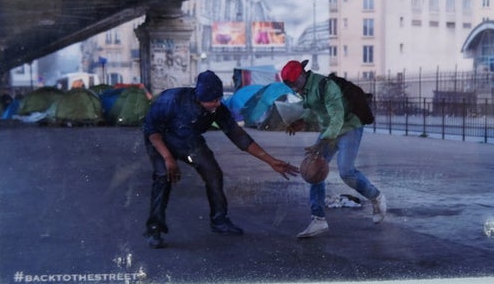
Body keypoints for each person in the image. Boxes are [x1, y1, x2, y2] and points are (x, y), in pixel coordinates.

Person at [143, 70, 300, 248]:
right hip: (160, 139)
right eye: (212, 100)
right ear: (199, 97)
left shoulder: (218, 109)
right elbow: (151, 131)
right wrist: (167, 157)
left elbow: (239, 136)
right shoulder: (170, 100)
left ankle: (219, 221)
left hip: (189, 142)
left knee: (213, 173)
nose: (217, 104)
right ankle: (154, 228)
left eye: (219, 99)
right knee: (163, 177)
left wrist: (271, 161)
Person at [280, 59, 387, 238]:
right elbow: (312, 108)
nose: (294, 88)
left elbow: (337, 119)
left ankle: (376, 197)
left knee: (346, 171)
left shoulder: (326, 86)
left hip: (349, 127)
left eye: (295, 83)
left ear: (302, 75)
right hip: (329, 130)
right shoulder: (305, 89)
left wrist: (321, 144)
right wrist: (301, 121)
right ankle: (318, 219)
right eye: (290, 85)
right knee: (314, 170)